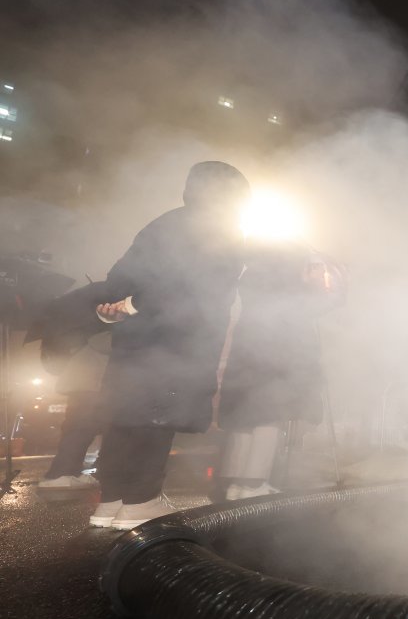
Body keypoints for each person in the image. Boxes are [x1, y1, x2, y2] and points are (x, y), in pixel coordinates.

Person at [88, 161, 249, 529]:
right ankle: (141, 501)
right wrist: (138, 306)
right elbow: (202, 292)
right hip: (178, 340)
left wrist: (117, 307)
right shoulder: (222, 230)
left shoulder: (163, 222)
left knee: (124, 415)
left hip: (133, 338)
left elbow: (120, 276)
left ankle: (110, 501)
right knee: (156, 415)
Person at [217, 242, 343, 500]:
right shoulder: (288, 278)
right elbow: (318, 304)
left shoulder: (254, 271)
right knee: (268, 416)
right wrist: (318, 280)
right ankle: (253, 485)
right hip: (277, 353)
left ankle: (235, 486)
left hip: (247, 348)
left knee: (244, 415)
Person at [37, 331, 110, 491]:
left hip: (82, 381)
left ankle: (65, 473)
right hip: (96, 381)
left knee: (78, 429)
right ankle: (63, 473)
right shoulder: (99, 324)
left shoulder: (73, 322)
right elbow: (105, 342)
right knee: (87, 429)